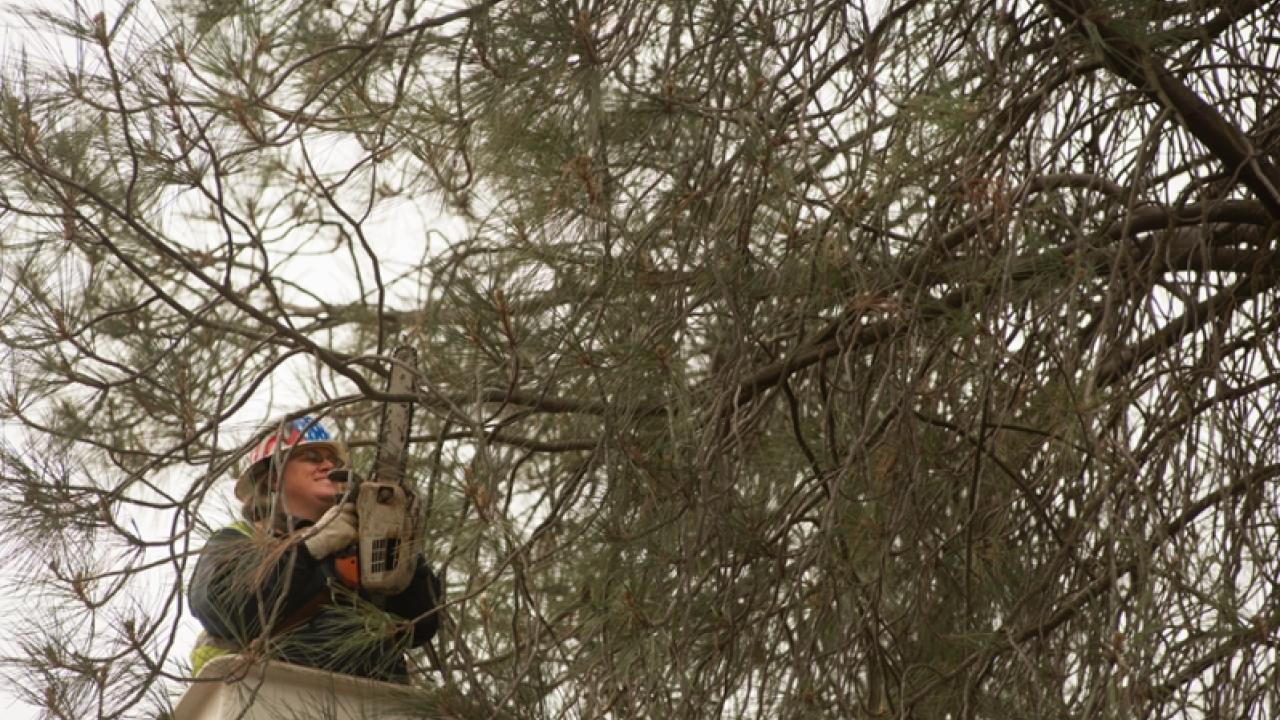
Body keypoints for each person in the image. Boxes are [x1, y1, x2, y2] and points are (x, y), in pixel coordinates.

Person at [189, 416, 443, 683]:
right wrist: (311, 547)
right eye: (311, 457)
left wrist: (398, 549)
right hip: (270, 689)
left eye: (333, 461)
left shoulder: (357, 545)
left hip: (373, 694)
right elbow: (223, 606)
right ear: (274, 478)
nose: (328, 466)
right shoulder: (240, 540)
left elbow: (421, 623)